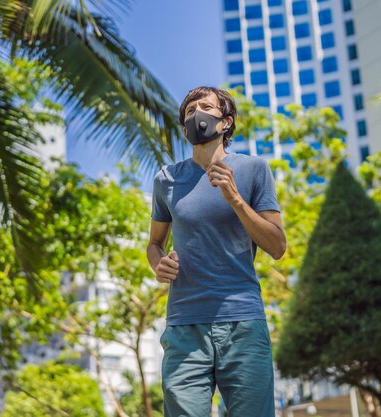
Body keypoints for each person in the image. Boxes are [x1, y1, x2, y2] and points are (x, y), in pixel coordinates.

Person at [146, 86, 286, 417]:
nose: (197, 113)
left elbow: (277, 246)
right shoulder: (167, 179)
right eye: (190, 110)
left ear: (226, 122)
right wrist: (158, 264)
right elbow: (155, 244)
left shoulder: (253, 169)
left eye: (206, 107)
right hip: (184, 325)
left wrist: (236, 199)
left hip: (242, 322)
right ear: (184, 128)